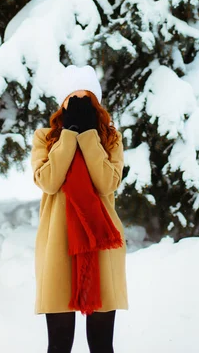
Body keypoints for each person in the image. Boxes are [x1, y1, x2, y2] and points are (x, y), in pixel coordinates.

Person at [31, 64, 128, 353]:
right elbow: (48, 181)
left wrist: (88, 136)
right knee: (59, 344)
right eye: (74, 100)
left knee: (101, 345)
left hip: (101, 247)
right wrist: (68, 136)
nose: (81, 106)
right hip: (58, 247)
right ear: (63, 104)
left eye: (87, 100)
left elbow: (107, 183)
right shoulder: (44, 138)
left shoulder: (110, 139)